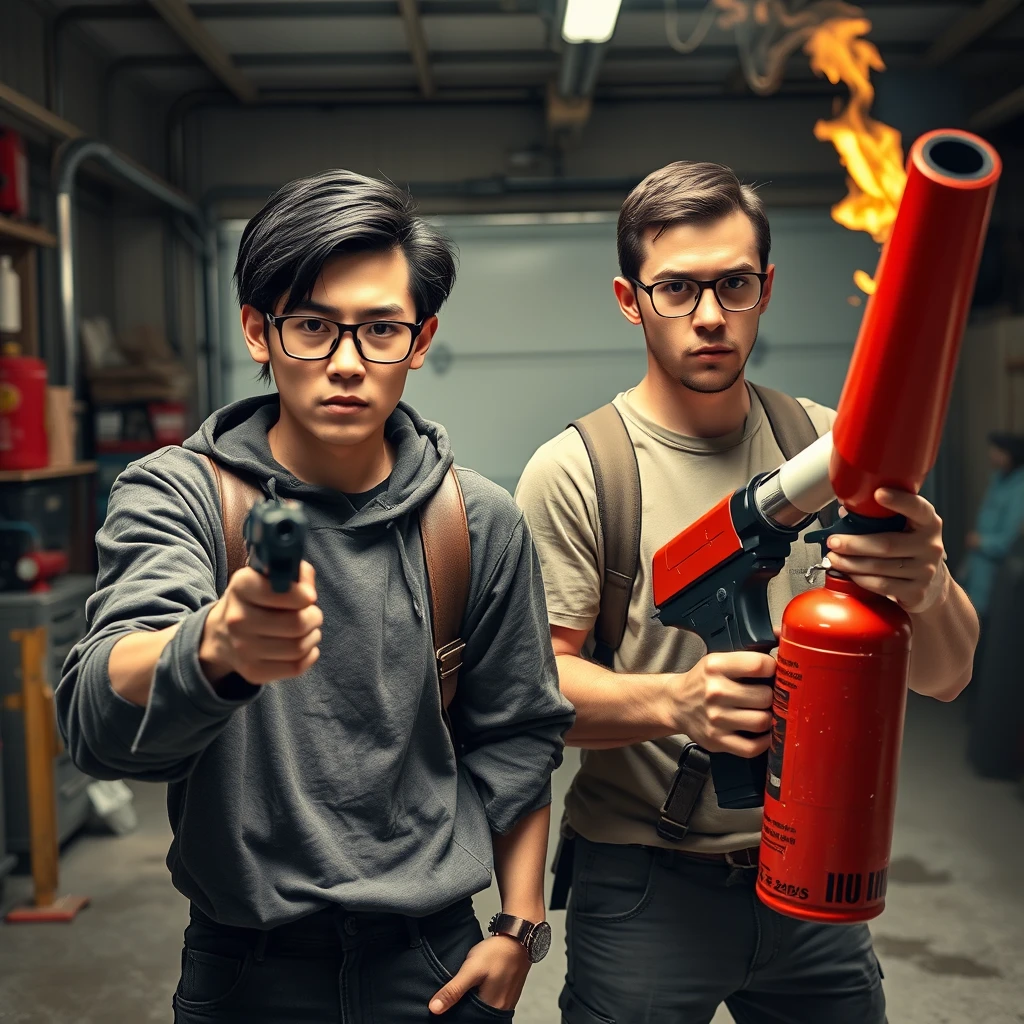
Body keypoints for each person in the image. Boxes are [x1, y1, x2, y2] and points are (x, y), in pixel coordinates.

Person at [57, 170, 574, 1023]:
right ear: (258, 330)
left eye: (379, 331)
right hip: (244, 967)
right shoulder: (176, 496)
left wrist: (517, 931)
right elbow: (96, 711)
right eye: (312, 327)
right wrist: (214, 648)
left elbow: (518, 735)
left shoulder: (475, 521)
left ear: (421, 338)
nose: (345, 364)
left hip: (434, 960)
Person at [515, 160, 979, 1024]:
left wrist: (930, 579)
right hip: (644, 883)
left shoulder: (831, 447)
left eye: (732, 285)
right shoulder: (581, 471)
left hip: (815, 881)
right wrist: (676, 702)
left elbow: (946, 675)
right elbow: (535, 691)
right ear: (629, 299)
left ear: (765, 287)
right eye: (676, 289)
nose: (708, 317)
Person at [959, 431, 1024, 621]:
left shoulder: (1019, 488)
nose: (991, 455)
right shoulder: (997, 481)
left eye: (996, 451)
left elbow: (1010, 539)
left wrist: (981, 542)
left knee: (986, 629)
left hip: (994, 573)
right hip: (976, 569)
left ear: (1009, 454)